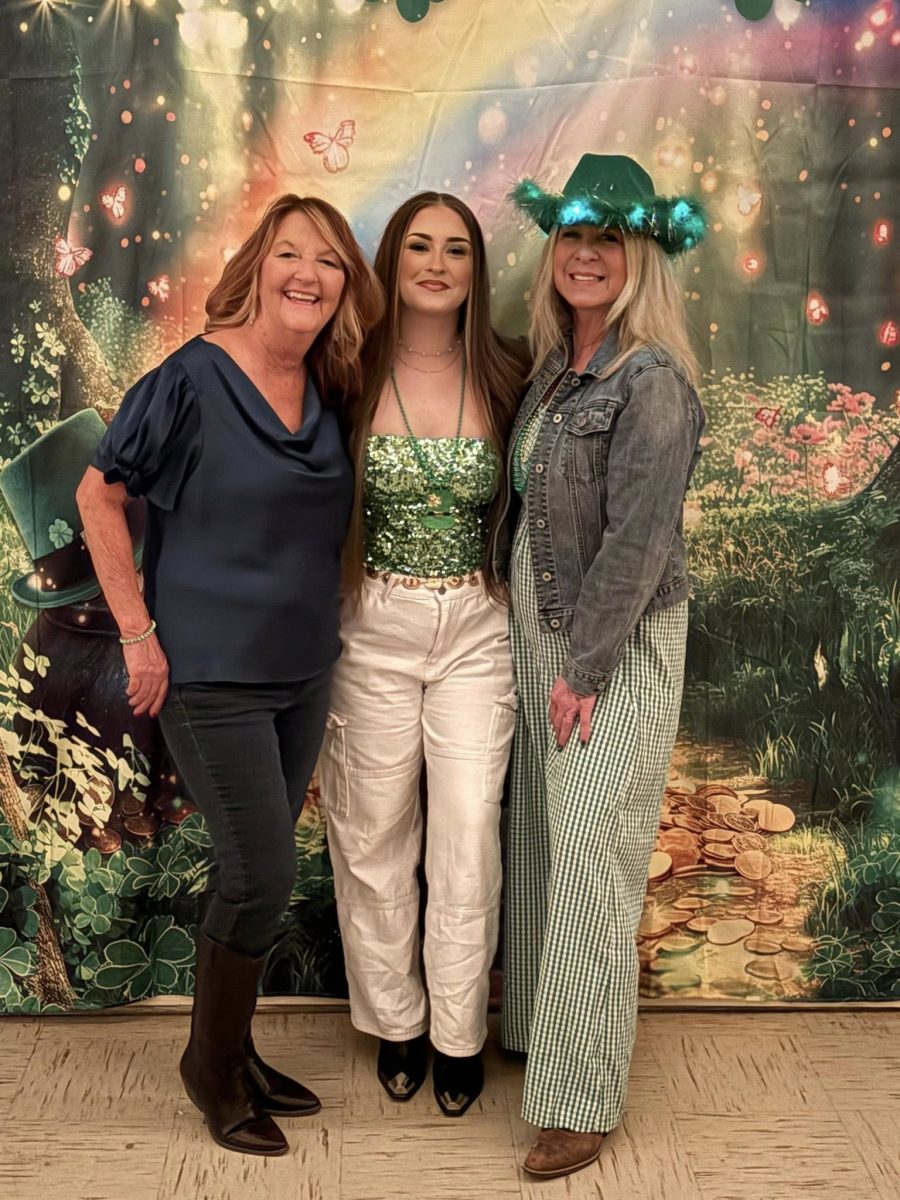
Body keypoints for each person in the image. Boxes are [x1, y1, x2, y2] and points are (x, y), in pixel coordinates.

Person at [76, 194, 382, 1156]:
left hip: (303, 672)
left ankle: (236, 1053)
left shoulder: (329, 383)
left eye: (329, 262)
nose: (308, 275)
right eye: (291, 254)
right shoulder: (191, 379)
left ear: (345, 286)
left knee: (257, 874)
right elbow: (97, 494)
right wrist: (137, 634)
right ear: (257, 266)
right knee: (261, 873)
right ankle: (209, 1070)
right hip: (210, 676)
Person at [499, 155, 708, 1179]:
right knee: (543, 840)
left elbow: (636, 543)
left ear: (642, 257)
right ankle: (539, 1038)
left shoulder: (652, 382)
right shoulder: (554, 370)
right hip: (543, 634)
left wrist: (583, 668)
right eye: (573, 236)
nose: (586, 254)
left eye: (608, 239)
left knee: (592, 856)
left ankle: (580, 1100)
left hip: (607, 645)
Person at [316, 193, 527, 1117]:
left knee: (468, 832)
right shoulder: (348, 369)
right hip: (373, 624)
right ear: (391, 260)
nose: (437, 265)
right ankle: (397, 1021)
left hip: (477, 627)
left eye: (456, 250)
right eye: (418, 247)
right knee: (372, 833)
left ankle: (457, 1034)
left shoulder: (511, 371)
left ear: (476, 269)